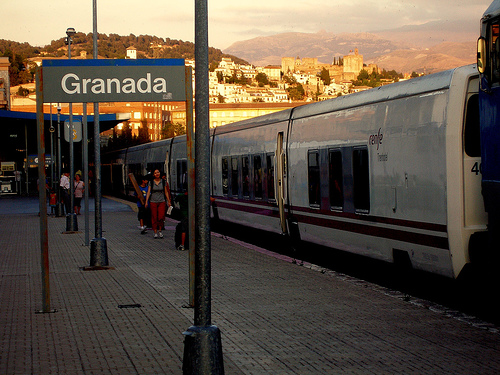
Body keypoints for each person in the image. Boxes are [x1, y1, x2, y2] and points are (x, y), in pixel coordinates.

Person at [145, 169, 172, 239]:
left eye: (158, 172)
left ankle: (160, 230)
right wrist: (146, 201)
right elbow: (148, 192)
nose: (157, 174)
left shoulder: (163, 182)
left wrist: (168, 201)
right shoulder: (151, 182)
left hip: (162, 201)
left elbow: (166, 192)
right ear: (153, 175)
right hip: (153, 201)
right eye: (155, 173)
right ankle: (155, 231)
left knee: (161, 216)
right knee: (154, 217)